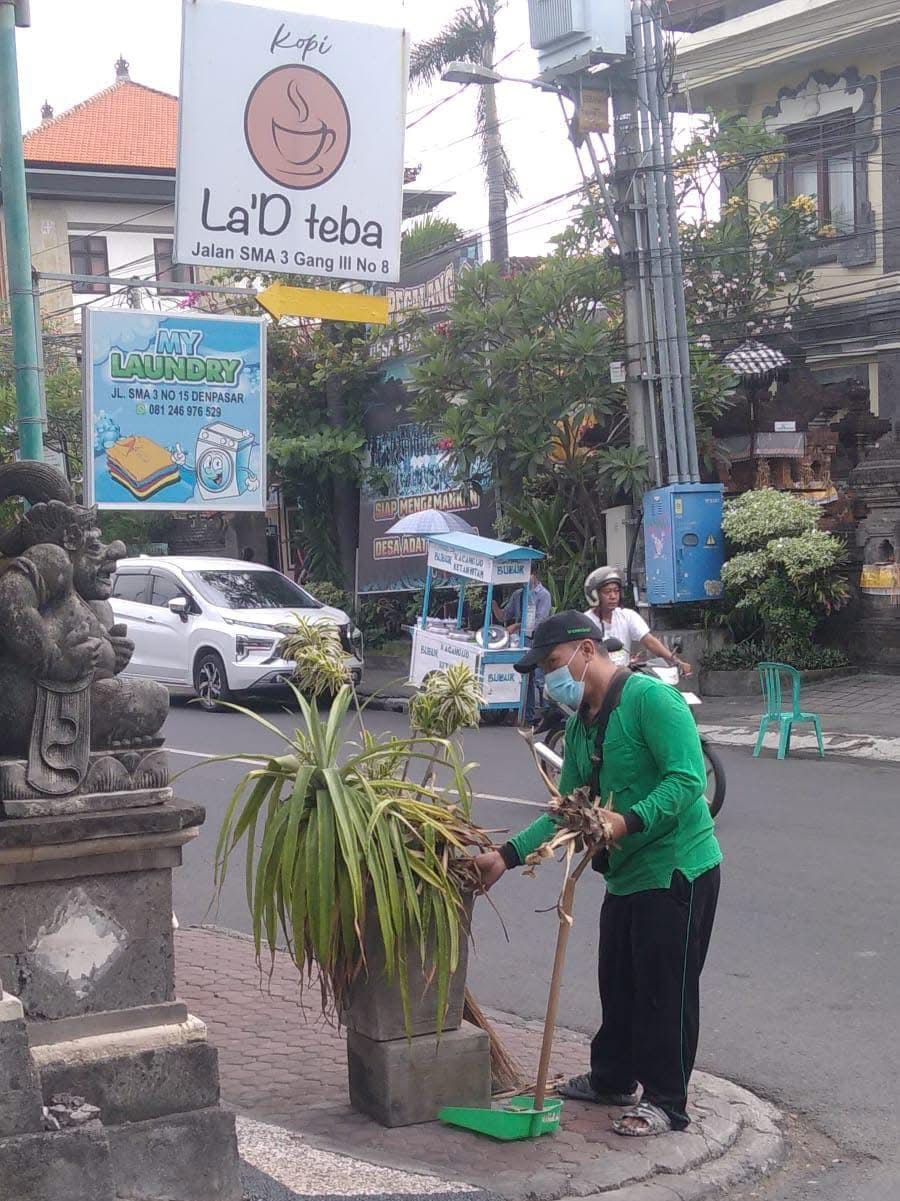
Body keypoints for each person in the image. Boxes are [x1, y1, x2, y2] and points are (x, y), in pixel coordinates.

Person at [474, 611, 721, 1137]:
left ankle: (666, 1102)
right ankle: (612, 1080)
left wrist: (626, 821)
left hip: (677, 867)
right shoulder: (581, 729)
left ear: (587, 651)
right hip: (627, 874)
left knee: (665, 990)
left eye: (554, 663)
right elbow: (566, 810)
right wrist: (506, 857)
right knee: (619, 981)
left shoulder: (651, 701)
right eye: (542, 670)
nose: (549, 678)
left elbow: (686, 780)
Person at [584, 566, 692, 675]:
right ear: (595, 595)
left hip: (623, 676)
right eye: (607, 592)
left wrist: (677, 662)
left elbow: (650, 642)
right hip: (597, 678)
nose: (613, 596)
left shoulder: (627, 616)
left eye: (616, 591)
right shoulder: (585, 622)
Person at [503, 565, 552, 725]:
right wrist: (494, 605)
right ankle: (527, 715)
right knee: (526, 678)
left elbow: (540, 622)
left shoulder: (543, 595)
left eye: (528, 575)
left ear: (534, 575)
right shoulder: (518, 594)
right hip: (520, 643)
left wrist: (517, 626)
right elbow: (506, 614)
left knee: (538, 679)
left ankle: (546, 714)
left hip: (537, 642)